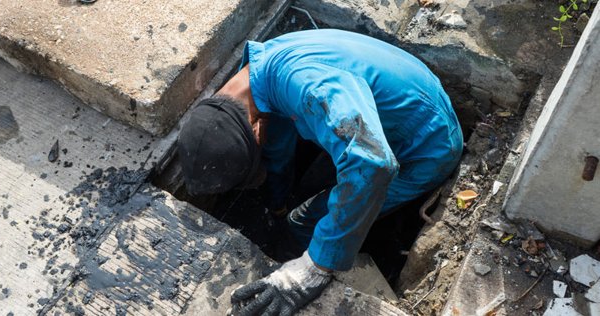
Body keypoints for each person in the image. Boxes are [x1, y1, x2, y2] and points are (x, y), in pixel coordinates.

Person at [176, 29, 463, 315]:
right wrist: (276, 204)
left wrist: (314, 267)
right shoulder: (259, 79)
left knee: (303, 222)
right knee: (307, 196)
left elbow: (373, 162)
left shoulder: (308, 86)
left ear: (256, 128)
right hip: (396, 110)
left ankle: (300, 258)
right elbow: (277, 149)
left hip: (425, 145)